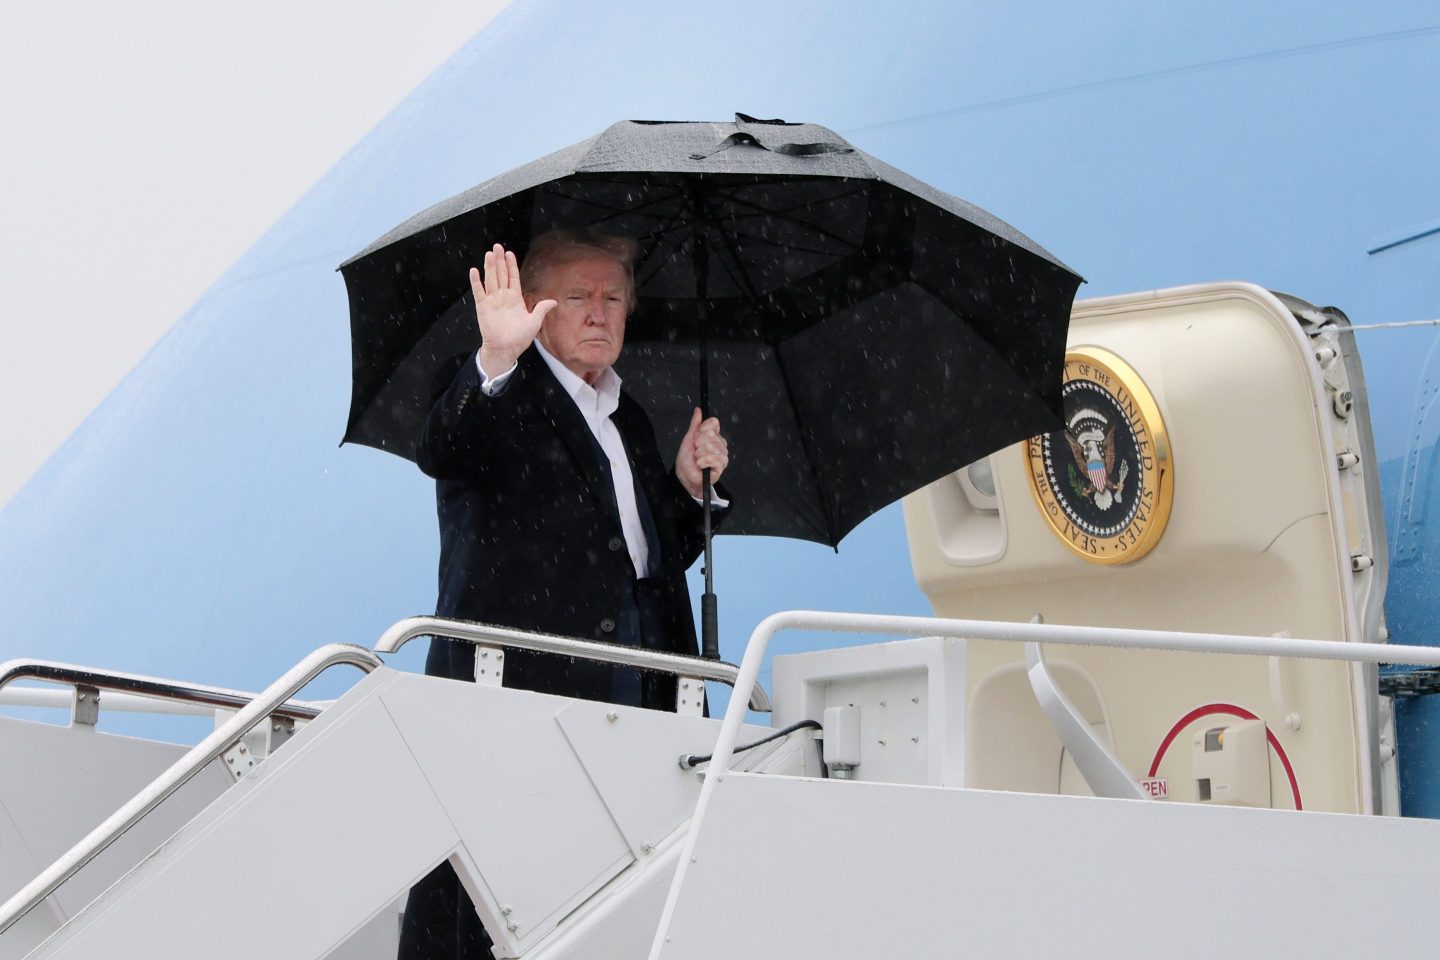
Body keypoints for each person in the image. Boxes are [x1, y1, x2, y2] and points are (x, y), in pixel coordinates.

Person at [398, 229, 730, 958]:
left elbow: (648, 559)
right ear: (537, 307)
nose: (597, 313)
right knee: (497, 906)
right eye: (577, 296)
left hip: (637, 698)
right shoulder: (495, 385)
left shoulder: (629, 418)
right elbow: (444, 449)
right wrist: (495, 357)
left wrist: (685, 489)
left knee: (618, 899)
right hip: (525, 697)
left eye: (613, 297)